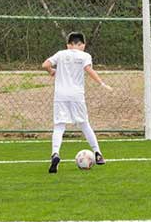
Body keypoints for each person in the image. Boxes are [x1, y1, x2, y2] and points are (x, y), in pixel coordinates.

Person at [42, 32, 113, 173]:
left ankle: (55, 154)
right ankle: (98, 154)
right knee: (84, 124)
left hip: (60, 95)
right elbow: (89, 70)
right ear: (82, 45)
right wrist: (102, 84)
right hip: (77, 95)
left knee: (59, 126)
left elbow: (45, 64)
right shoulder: (85, 56)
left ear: (68, 45)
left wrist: (51, 71)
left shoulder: (61, 54)